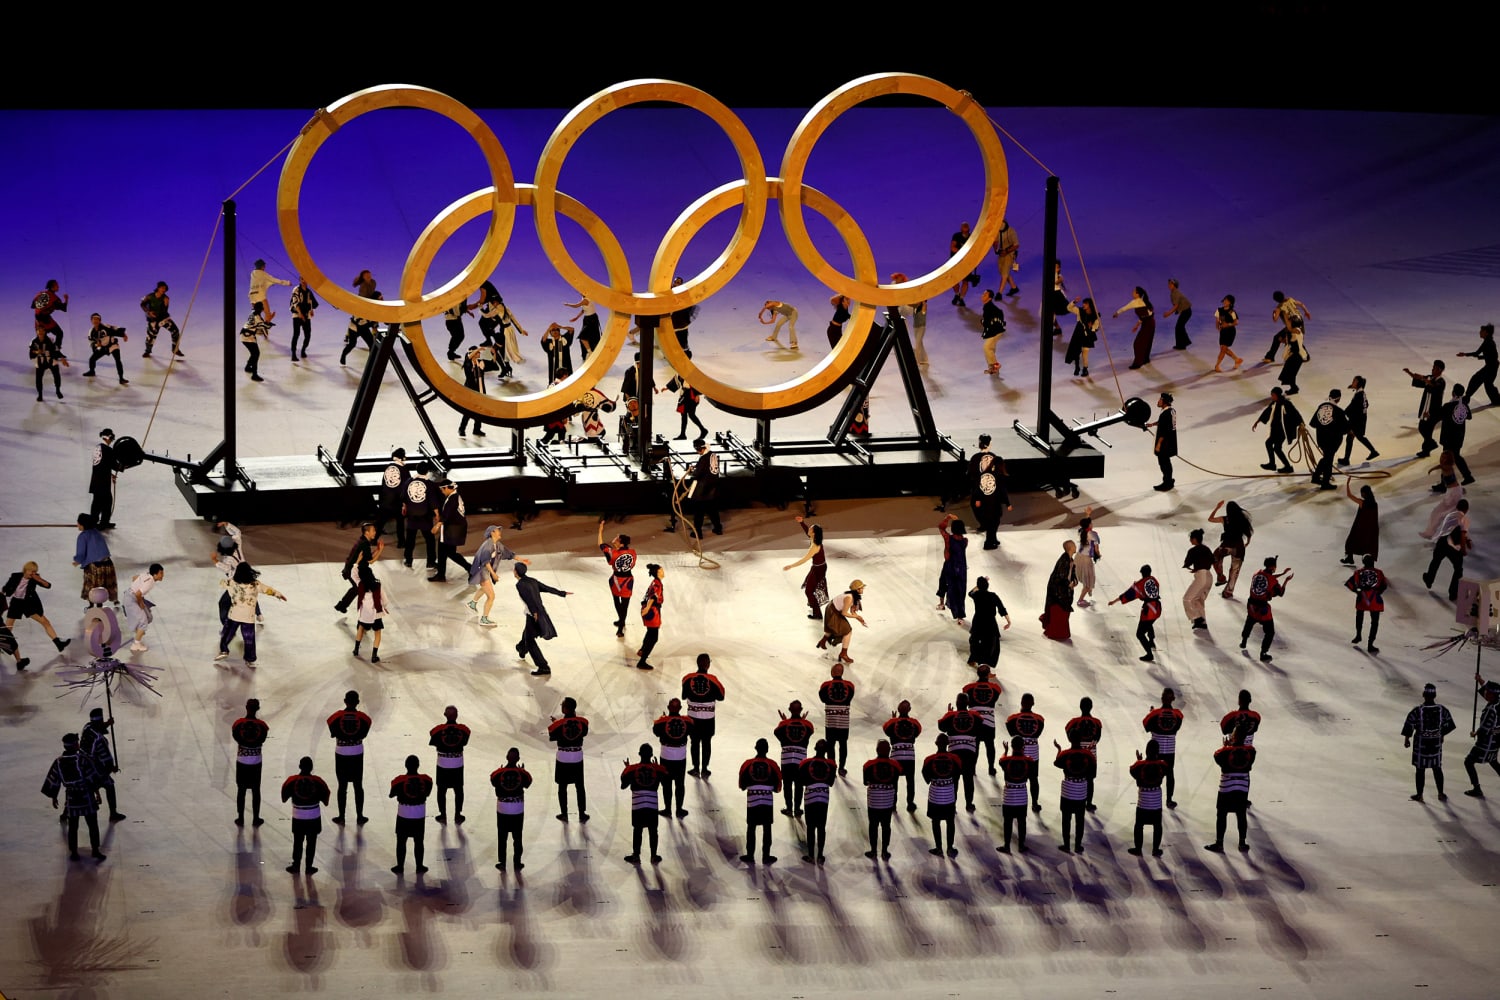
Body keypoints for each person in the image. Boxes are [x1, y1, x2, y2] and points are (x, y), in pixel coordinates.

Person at [42, 732, 106, 862]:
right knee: (92, 824)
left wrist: (54, 796)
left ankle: (74, 852)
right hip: (86, 796)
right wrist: (97, 793)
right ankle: (95, 850)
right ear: (75, 745)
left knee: (73, 826)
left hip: (71, 798)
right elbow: (91, 778)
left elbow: (54, 779)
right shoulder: (82, 760)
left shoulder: (59, 762)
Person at [1206, 722, 1258, 853]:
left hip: (1226, 787)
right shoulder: (1251, 751)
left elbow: (1217, 757)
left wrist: (1226, 746)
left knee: (1222, 814)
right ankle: (1242, 843)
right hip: (1242, 787)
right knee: (1241, 815)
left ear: (1233, 736)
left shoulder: (1224, 752)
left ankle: (1219, 843)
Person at [216, 562, 283, 664]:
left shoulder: (232, 583)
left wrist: (225, 583)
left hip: (234, 615)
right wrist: (278, 594)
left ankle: (224, 650)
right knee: (249, 639)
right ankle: (250, 658)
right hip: (248, 617)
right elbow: (268, 590)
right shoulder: (255, 584)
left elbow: (222, 583)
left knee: (226, 634)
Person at [4, 561, 71, 655]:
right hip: (16, 603)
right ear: (25, 570)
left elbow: (48, 585)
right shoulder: (15, 576)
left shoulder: (35, 578)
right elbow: (6, 588)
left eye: (34, 571)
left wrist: (39, 579)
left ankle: (59, 644)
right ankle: (3, 644)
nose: (33, 573)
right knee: (8, 627)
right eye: (31, 571)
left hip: (28, 604)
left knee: (45, 622)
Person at [515, 563, 570, 676]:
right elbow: (546, 588)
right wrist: (561, 593)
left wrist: (534, 612)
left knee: (530, 640)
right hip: (539, 612)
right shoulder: (532, 581)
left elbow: (529, 599)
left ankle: (543, 666)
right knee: (527, 634)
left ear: (516, 572)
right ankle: (521, 648)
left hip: (533, 614)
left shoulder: (520, 584)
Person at [327, 690, 372, 825]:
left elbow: (333, 731)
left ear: (345, 701)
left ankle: (341, 817)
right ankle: (360, 816)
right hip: (357, 752)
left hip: (341, 753)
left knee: (342, 786)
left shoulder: (335, 717)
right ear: (358, 702)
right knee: (358, 786)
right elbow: (364, 733)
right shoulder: (364, 718)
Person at [281, 756, 330, 875]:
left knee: (298, 841)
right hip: (314, 817)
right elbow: (326, 799)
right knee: (311, 842)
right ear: (312, 768)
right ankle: (309, 867)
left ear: (299, 766)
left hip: (298, 817)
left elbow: (283, 797)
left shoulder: (291, 780)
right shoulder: (319, 781)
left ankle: (296, 865)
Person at [620, 744, 668, 865]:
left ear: (639, 754)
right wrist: (657, 765)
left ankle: (636, 856)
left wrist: (627, 767)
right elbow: (666, 781)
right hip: (652, 804)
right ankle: (653, 856)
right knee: (653, 830)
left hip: (637, 804)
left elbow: (623, 785)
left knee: (637, 830)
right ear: (651, 755)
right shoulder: (658, 769)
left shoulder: (631, 769)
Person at [738, 738, 782, 865]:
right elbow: (778, 787)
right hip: (767, 801)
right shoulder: (773, 765)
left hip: (752, 800)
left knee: (751, 827)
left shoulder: (747, 764)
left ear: (755, 748)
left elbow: (742, 785)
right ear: (767, 749)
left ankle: (750, 855)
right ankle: (766, 856)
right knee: (767, 828)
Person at [1240, 556, 1292, 662]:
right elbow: (1280, 592)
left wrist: (1282, 574)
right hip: (1262, 609)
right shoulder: (1273, 580)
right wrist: (1286, 580)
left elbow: (1268, 577)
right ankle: (1263, 653)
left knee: (1249, 621)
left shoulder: (1256, 574)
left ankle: (1244, 641)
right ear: (1273, 567)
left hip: (1251, 606)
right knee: (1270, 632)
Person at [389, 755, 434, 875]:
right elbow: (428, 793)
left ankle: (400, 866)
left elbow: (391, 794)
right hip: (419, 814)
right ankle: (419, 866)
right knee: (419, 841)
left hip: (404, 814)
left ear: (405, 765)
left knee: (401, 841)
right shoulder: (427, 780)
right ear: (418, 765)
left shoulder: (399, 781)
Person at [79, 708, 126, 823]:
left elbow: (97, 727)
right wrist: (112, 768)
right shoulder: (98, 739)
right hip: (95, 770)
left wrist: (107, 724)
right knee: (109, 785)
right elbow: (106, 758)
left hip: (83, 767)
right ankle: (113, 813)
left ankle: (65, 814)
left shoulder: (87, 727)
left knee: (80, 791)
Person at [490, 747, 532, 871]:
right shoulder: (523, 774)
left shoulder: (497, 773)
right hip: (517, 809)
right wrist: (521, 770)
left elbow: (493, 781)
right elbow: (528, 783)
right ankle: (517, 862)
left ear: (506, 757)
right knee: (517, 836)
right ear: (518, 759)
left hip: (502, 809)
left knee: (502, 837)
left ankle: (502, 862)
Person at [683, 653, 725, 777]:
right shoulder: (713, 680)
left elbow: (683, 696)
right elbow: (721, 696)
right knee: (706, 743)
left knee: (694, 743)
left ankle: (695, 768)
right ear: (708, 665)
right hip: (708, 719)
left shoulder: (687, 679)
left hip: (692, 718)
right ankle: (705, 769)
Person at [938, 694, 983, 812]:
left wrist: (949, 713)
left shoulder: (950, 716)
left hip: (954, 752)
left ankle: (953, 805)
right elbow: (980, 729)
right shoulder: (976, 716)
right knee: (968, 779)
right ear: (968, 703)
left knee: (954, 780)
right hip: (970, 752)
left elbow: (941, 727)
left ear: (956, 703)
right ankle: (969, 804)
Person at [1053, 732, 1096, 854]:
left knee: (1066, 819)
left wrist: (1059, 749)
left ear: (1069, 739)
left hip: (1068, 790)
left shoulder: (1065, 754)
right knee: (1080, 819)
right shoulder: (1088, 755)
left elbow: (1057, 763)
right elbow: (1091, 768)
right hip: (1081, 790)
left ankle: (1066, 845)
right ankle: (1078, 845)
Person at [922, 734, 963, 858]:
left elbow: (926, 779)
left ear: (936, 743)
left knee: (936, 821)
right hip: (949, 794)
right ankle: (950, 848)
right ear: (948, 744)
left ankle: (938, 848)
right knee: (950, 821)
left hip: (935, 794)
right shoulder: (955, 758)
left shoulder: (929, 760)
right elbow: (957, 776)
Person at [469, 524, 519, 627]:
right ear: (492, 533)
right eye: (497, 530)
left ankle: (472, 603)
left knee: (484, 588)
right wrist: (493, 574)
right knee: (491, 596)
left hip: (485, 571)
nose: (500, 532)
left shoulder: (497, 544)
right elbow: (486, 562)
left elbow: (508, 552)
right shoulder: (488, 545)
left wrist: (522, 559)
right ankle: (484, 619)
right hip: (482, 571)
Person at [548, 697, 590, 821]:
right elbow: (583, 733)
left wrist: (556, 723)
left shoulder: (558, 725)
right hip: (577, 756)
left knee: (562, 787)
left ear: (565, 708)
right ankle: (582, 813)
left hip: (563, 758)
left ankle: (564, 813)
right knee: (580, 786)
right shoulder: (583, 722)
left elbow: (553, 735)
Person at [1111, 564, 1164, 661]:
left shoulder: (1139, 584)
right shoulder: (1154, 580)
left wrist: (1114, 601)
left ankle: (1149, 654)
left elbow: (1127, 595)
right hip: (1157, 608)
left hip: (1149, 610)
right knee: (1149, 624)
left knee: (1139, 634)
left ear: (1142, 573)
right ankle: (1151, 641)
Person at [429, 705, 471, 824]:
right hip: (457, 763)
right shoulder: (464, 730)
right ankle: (458, 815)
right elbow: (466, 739)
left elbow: (432, 735)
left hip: (443, 764)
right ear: (457, 715)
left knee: (441, 790)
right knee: (459, 790)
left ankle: (443, 815)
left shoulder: (438, 730)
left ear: (444, 715)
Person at [1143, 689, 1184, 809]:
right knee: (1170, 774)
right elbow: (1175, 729)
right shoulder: (1178, 715)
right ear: (1173, 699)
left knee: (1154, 772)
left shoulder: (1154, 714)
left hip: (1156, 749)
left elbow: (1146, 726)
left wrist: (1152, 714)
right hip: (1170, 749)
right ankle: (1169, 799)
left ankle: (1153, 797)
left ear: (1161, 698)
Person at [652, 698, 693, 818]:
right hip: (681, 757)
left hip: (666, 756)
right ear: (680, 708)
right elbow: (692, 731)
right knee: (680, 784)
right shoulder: (688, 721)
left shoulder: (661, 722)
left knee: (666, 784)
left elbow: (656, 732)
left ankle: (668, 809)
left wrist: (663, 718)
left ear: (668, 708)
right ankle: (679, 809)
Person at [968, 435, 1011, 549]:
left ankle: (986, 528)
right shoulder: (994, 457)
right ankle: (989, 536)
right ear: (990, 443)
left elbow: (971, 474)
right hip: (991, 493)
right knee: (993, 518)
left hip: (980, 489)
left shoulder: (975, 458)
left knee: (984, 512)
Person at [1422, 499, 1470, 601]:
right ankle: (1453, 593)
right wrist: (1464, 549)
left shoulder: (1449, 515)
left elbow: (1448, 529)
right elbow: (1462, 534)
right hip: (1453, 546)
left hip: (1442, 542)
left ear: (1457, 507)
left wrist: (1467, 540)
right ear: (1466, 509)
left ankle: (1429, 579)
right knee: (1458, 569)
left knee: (1436, 561)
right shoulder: (1464, 519)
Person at [231, 698, 269, 827]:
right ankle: (256, 818)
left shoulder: (237, 724)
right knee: (256, 790)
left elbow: (236, 738)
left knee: (241, 790)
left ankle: (240, 818)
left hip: (242, 761)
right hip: (256, 762)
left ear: (246, 707)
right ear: (257, 709)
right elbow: (262, 739)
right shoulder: (262, 726)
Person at [774, 701, 815, 817]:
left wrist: (784, 721)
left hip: (786, 759)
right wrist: (802, 721)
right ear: (801, 710)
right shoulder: (808, 725)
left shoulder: (783, 725)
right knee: (799, 785)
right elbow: (810, 731)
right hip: (801, 760)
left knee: (787, 785)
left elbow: (777, 733)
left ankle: (788, 808)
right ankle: (797, 809)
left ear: (789, 709)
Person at [1127, 740, 1168, 857]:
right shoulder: (1162, 765)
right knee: (1157, 826)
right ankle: (1155, 849)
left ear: (1146, 751)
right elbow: (1166, 769)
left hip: (1143, 802)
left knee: (1139, 825)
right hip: (1156, 802)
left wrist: (1139, 760)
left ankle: (1138, 848)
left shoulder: (1139, 766)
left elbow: (1132, 770)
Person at [1005, 693, 1046, 812]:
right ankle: (1034, 803)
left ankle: (1014, 802)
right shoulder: (1040, 720)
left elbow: (1013, 735)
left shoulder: (1012, 719)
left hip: (1018, 753)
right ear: (1033, 703)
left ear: (1021, 702)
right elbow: (1037, 734)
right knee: (1034, 778)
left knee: (1016, 778)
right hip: (1033, 753)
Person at [862, 739, 901, 860]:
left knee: (873, 825)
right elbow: (895, 782)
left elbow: (865, 782)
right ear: (889, 750)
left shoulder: (868, 765)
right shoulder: (895, 765)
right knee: (886, 825)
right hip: (888, 800)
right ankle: (884, 850)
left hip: (873, 800)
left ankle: (873, 850)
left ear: (877, 750)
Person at [996, 736, 1037, 853]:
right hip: (1022, 795)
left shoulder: (1005, 761)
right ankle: (1021, 845)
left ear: (1012, 746)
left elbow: (1001, 759)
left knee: (1007, 822)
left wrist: (1005, 751)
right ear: (1023, 747)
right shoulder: (1029, 761)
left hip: (1008, 795)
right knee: (1022, 821)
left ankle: (1007, 846)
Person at [799, 740, 837, 864]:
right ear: (826, 751)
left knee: (810, 827)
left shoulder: (805, 763)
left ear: (815, 748)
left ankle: (810, 855)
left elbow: (802, 781)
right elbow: (830, 783)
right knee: (821, 826)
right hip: (824, 797)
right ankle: (820, 855)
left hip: (810, 796)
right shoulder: (831, 765)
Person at [783, 515, 828, 619]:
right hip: (817, 567)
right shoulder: (814, 538)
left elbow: (804, 559)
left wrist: (791, 566)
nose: (809, 529)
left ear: (813, 532)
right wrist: (801, 522)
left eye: (810, 529)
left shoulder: (815, 546)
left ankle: (817, 614)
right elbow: (807, 532)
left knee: (809, 591)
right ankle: (814, 606)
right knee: (809, 589)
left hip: (819, 569)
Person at [598, 522, 638, 637]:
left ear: (620, 542)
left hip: (616, 580)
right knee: (625, 605)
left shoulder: (612, 553)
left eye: (617, 538)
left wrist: (600, 530)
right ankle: (621, 623)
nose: (614, 538)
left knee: (617, 602)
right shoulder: (633, 553)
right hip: (628, 580)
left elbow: (601, 544)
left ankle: (621, 623)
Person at [964, 664, 1005, 775]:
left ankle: (972, 768)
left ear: (977, 673)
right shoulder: (995, 689)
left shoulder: (968, 688)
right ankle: (991, 768)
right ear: (988, 675)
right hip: (989, 721)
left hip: (975, 722)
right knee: (990, 745)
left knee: (975, 745)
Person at [1463, 676, 1500, 798]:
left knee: (1468, 762)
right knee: (1493, 761)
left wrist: (1475, 733)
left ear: (1493, 695)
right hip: (1495, 743)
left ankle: (1476, 788)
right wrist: (1480, 681)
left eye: (1487, 692)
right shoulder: (1498, 703)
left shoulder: (1491, 710)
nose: (1485, 693)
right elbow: (1488, 691)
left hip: (1485, 744)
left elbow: (1485, 728)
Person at [1064, 697, 1103, 811]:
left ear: (1080, 707)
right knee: (1090, 780)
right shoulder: (1097, 722)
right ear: (1091, 707)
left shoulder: (1073, 722)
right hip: (1092, 755)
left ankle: (1077, 800)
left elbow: (1068, 732)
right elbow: (1098, 738)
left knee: (1077, 777)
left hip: (1077, 753)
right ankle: (1089, 803)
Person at [428, 480, 471, 583]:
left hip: (452, 529)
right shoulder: (455, 496)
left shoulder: (452, 499)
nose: (442, 492)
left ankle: (471, 568)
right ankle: (441, 574)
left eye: (442, 490)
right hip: (454, 528)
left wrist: (437, 526)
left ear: (447, 488)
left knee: (450, 553)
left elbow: (447, 515)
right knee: (443, 551)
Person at [1208, 500, 1253, 599]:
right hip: (1239, 547)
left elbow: (1210, 519)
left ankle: (1221, 577)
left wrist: (1217, 507)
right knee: (1234, 571)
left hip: (1227, 546)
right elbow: (1249, 532)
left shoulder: (1225, 519)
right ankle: (1228, 592)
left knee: (1215, 557)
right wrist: (1247, 542)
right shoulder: (1242, 519)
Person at [883, 701, 924, 811]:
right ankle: (910, 803)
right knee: (910, 781)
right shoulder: (915, 723)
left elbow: (885, 729)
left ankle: (893, 804)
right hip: (910, 755)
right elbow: (918, 731)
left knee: (893, 781)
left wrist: (893, 719)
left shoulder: (892, 723)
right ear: (910, 709)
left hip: (896, 755)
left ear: (898, 709)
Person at [335, 522, 382, 615]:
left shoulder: (364, 542)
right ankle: (369, 611)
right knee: (360, 588)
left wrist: (377, 550)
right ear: (367, 532)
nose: (375, 532)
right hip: (352, 570)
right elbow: (371, 561)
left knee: (357, 588)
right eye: (373, 530)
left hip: (354, 569)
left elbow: (368, 557)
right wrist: (380, 550)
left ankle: (341, 606)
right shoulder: (364, 544)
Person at [818, 661, 856, 774]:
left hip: (830, 720)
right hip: (844, 721)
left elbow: (823, 699)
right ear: (842, 672)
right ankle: (841, 768)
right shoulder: (850, 686)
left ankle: (832, 767)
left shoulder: (825, 685)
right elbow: (849, 698)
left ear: (832, 672)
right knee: (843, 745)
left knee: (830, 745)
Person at [1253, 386, 1302, 473]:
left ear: (1277, 395)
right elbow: (1267, 411)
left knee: (1276, 448)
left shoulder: (1286, 404)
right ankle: (1274, 464)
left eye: (1273, 395)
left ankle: (1285, 466)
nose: (1272, 396)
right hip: (1276, 430)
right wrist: (1258, 420)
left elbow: (1295, 413)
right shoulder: (1274, 403)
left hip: (1283, 431)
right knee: (1270, 444)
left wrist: (1301, 424)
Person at [1403, 359, 1446, 457]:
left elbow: (1433, 385)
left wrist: (1424, 379)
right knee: (1423, 428)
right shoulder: (1430, 378)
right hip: (1426, 408)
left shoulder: (1441, 381)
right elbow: (1418, 378)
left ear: (1439, 370)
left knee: (1426, 428)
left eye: (1434, 368)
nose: (1432, 369)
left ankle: (1428, 447)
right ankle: (1429, 447)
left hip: (1434, 411)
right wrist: (1409, 372)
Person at [73, 513, 117, 607]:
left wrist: (77, 561)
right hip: (108, 563)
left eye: (78, 523)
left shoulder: (82, 536)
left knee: (92, 587)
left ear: (82, 524)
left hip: (95, 566)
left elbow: (81, 553)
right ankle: (101, 605)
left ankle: (92, 606)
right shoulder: (96, 532)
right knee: (103, 586)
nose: (77, 524)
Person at [818, 580, 867, 664]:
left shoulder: (854, 596)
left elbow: (853, 612)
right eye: (862, 588)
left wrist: (860, 619)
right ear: (857, 589)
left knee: (834, 629)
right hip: (832, 611)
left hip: (834, 609)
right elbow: (844, 613)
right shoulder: (849, 597)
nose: (863, 589)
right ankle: (843, 654)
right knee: (847, 631)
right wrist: (856, 616)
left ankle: (823, 641)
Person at [1310, 389, 1350, 488]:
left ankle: (1316, 477)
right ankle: (1325, 482)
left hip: (1321, 439)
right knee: (1328, 460)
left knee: (1326, 458)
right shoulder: (1339, 412)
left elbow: (1313, 423)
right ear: (1339, 399)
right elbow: (1345, 429)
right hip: (1332, 441)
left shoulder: (1321, 407)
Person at [120, 563, 164, 654]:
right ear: (155, 574)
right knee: (143, 622)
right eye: (161, 573)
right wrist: (140, 603)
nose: (162, 575)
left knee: (149, 617)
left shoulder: (146, 574)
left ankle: (138, 631)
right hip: (132, 599)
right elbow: (138, 594)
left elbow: (134, 577)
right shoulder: (150, 582)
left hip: (132, 595)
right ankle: (136, 644)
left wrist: (136, 587)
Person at [966, 578, 1011, 668]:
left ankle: (973, 659)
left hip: (978, 621)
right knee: (991, 644)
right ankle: (985, 665)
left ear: (978, 586)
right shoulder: (993, 596)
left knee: (975, 640)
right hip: (990, 622)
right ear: (987, 586)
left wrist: (978, 586)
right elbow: (1001, 608)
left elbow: (970, 592)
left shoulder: (976, 595)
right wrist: (1008, 621)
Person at [401, 463, 437, 571]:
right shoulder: (429, 484)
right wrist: (437, 515)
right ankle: (430, 562)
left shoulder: (408, 482)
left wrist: (404, 508)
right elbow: (433, 501)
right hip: (425, 516)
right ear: (427, 471)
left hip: (412, 515)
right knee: (430, 540)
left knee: (410, 539)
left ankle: (408, 561)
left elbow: (403, 498)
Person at [1420, 452, 1464, 539]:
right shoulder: (1445, 466)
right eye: (1442, 457)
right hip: (1451, 492)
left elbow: (1441, 466)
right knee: (1437, 513)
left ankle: (1436, 534)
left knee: (1442, 514)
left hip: (1454, 493)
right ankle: (1431, 533)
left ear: (1449, 459)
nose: (1442, 459)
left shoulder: (1447, 467)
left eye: (1445, 458)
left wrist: (1431, 469)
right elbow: (1441, 466)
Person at [935, 514, 969, 623]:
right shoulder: (965, 541)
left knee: (943, 583)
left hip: (949, 566)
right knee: (960, 590)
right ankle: (960, 616)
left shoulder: (948, 539)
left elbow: (941, 527)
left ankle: (941, 603)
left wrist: (947, 518)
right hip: (961, 569)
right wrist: (958, 521)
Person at [1041, 540, 1078, 640]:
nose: (1076, 546)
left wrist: (1074, 581)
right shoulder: (1064, 561)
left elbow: (1072, 574)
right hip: (1058, 592)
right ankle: (1056, 633)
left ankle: (1058, 632)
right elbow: (1060, 577)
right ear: (1070, 548)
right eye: (1074, 545)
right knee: (1059, 613)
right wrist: (1068, 583)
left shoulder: (1070, 559)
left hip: (1064, 591)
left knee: (1063, 613)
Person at [1439, 385, 1475, 485]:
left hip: (1449, 437)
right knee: (1456, 456)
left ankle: (1444, 483)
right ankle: (1467, 476)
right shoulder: (1463, 405)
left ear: (1453, 392)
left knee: (1446, 459)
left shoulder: (1448, 406)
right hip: (1459, 436)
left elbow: (1439, 415)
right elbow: (1469, 416)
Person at [686, 438, 723, 538]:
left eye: (698, 450)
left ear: (702, 448)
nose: (697, 452)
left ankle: (697, 532)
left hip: (703, 489)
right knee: (712, 510)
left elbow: (697, 474)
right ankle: (718, 528)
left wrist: (692, 472)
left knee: (699, 511)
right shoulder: (713, 455)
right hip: (713, 487)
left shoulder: (703, 458)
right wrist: (697, 466)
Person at [1262, 290, 1311, 365]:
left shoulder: (1279, 307)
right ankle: (1305, 355)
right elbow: (1301, 304)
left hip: (1292, 324)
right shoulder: (1290, 299)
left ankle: (1270, 357)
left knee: (1279, 338)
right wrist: (1306, 312)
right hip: (1300, 321)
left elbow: (1275, 319)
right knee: (1293, 338)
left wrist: (1273, 313)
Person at [633, 563, 666, 671]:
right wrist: (647, 608)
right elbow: (653, 597)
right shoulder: (657, 584)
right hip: (652, 612)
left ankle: (642, 650)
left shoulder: (655, 582)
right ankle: (642, 661)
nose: (663, 571)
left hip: (649, 610)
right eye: (661, 570)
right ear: (657, 572)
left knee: (649, 633)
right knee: (654, 637)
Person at [1113, 286, 1156, 369]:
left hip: (1148, 324)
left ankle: (1138, 363)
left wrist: (1117, 313)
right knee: (1146, 342)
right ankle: (1145, 359)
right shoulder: (1143, 301)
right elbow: (1145, 316)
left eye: (1134, 292)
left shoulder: (1135, 302)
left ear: (1137, 294)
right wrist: (1137, 325)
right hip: (1150, 323)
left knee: (1137, 343)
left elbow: (1125, 308)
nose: (1132, 293)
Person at [1339, 375, 1379, 464]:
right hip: (1361, 419)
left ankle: (1347, 459)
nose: (1352, 382)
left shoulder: (1358, 395)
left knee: (1352, 436)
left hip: (1356, 420)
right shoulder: (1362, 393)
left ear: (1358, 383)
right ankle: (1372, 452)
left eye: (1354, 381)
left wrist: (1343, 413)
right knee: (1355, 437)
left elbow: (1351, 408)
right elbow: (1366, 404)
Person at [139, 281, 183, 358]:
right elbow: (142, 304)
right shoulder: (149, 296)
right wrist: (149, 312)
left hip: (163, 318)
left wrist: (166, 304)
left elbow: (164, 311)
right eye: (162, 288)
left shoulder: (166, 298)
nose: (164, 290)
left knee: (175, 331)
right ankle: (147, 351)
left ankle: (175, 349)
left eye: (165, 289)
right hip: (153, 319)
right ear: (158, 288)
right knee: (151, 336)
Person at [377, 447, 410, 550]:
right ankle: (401, 542)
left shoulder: (388, 467)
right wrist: (405, 502)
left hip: (386, 499)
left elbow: (383, 483)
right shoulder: (404, 470)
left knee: (382, 520)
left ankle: (373, 539)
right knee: (400, 522)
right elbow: (406, 486)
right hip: (397, 501)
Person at [82, 313, 129, 383]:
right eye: (94, 319)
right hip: (102, 348)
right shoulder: (91, 332)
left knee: (118, 360)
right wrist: (96, 345)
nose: (95, 321)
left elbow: (115, 329)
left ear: (100, 320)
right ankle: (92, 371)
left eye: (97, 319)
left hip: (112, 345)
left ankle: (121, 378)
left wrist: (124, 335)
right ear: (91, 320)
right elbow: (91, 342)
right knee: (92, 359)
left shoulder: (106, 327)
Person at [1342, 481, 1380, 566]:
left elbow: (1349, 495)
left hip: (1361, 528)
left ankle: (1349, 558)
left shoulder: (1362, 503)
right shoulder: (1375, 504)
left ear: (1364, 493)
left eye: (1362, 493)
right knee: (1368, 546)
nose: (1361, 495)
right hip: (1371, 530)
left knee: (1350, 542)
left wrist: (1347, 484)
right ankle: (1369, 563)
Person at [1182, 529, 1214, 630]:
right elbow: (1213, 561)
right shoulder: (1207, 549)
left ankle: (1197, 617)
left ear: (1195, 539)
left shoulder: (1193, 550)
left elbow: (1187, 563)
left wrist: (1191, 567)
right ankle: (1202, 622)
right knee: (1198, 600)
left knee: (1187, 599)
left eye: (1191, 538)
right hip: (1209, 577)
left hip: (1201, 577)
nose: (1190, 540)